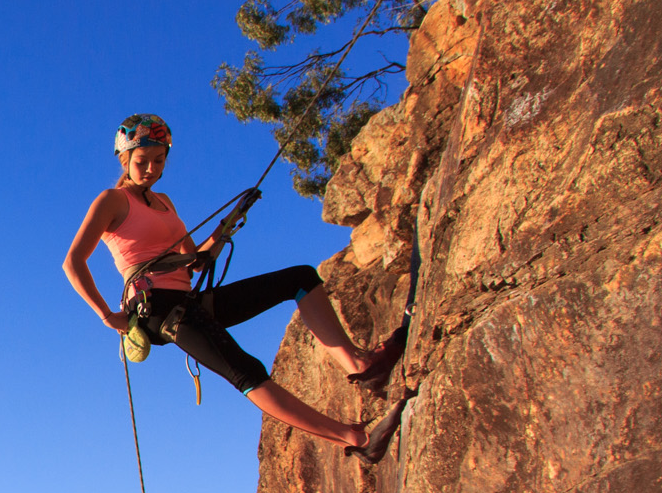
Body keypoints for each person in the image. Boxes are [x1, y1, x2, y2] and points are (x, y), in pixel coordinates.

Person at [63, 113, 406, 460]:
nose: (151, 168)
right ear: (125, 158)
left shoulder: (165, 202)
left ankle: (359, 366)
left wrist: (228, 224)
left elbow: (194, 260)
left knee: (300, 278)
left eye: (159, 160)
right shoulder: (112, 200)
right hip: (159, 309)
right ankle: (357, 439)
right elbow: (73, 262)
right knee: (246, 370)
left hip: (190, 299)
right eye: (142, 161)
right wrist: (107, 315)